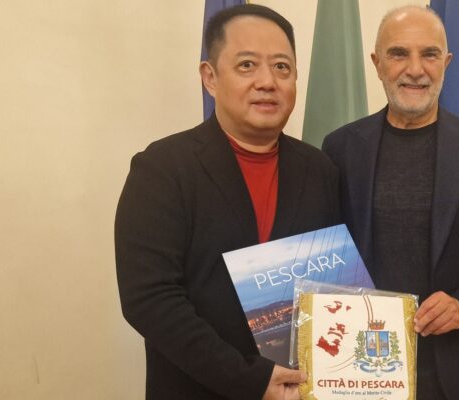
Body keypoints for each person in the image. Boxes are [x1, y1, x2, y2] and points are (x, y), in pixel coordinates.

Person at [115, 4, 338, 400]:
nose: (267, 82)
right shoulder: (163, 168)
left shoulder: (319, 169)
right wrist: (249, 379)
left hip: (300, 389)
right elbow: (149, 300)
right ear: (210, 77)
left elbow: (332, 285)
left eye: (282, 67)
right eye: (247, 65)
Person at [321, 6, 459, 400]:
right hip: (359, 368)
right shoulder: (341, 148)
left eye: (430, 54)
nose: (415, 69)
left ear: (447, 63)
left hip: (453, 371)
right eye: (399, 54)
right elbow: (323, 253)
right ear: (377, 63)